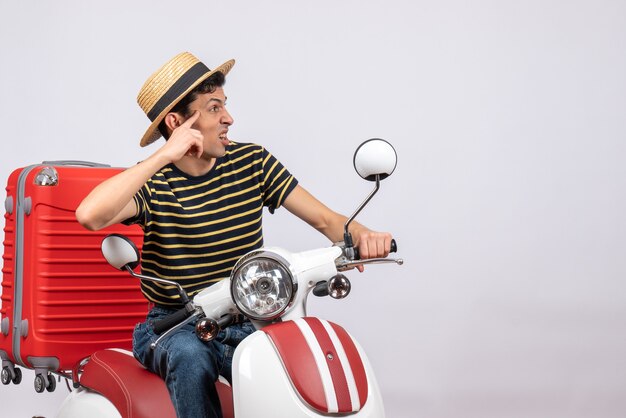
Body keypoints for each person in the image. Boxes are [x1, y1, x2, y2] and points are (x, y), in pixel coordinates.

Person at [76, 52, 393, 418]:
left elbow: (324, 218)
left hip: (251, 317)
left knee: (301, 355)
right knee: (190, 358)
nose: (228, 118)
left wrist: (365, 235)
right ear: (177, 122)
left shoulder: (252, 162)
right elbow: (89, 215)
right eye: (213, 109)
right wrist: (163, 155)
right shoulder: (154, 183)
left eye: (224, 106)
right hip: (176, 325)